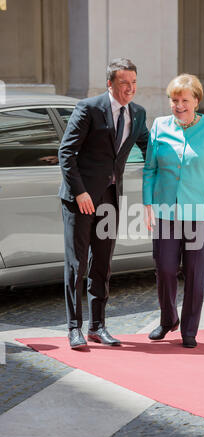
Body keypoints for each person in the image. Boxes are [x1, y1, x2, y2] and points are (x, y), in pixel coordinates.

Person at [59, 58, 149, 349]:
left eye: (134, 83)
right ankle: (74, 328)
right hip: (80, 199)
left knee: (103, 265)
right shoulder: (89, 108)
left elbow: (153, 148)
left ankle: (98, 326)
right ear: (110, 83)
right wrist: (80, 192)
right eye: (124, 83)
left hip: (110, 198)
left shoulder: (137, 113)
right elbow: (66, 152)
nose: (130, 88)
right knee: (77, 264)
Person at [143, 74, 204, 348]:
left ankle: (190, 330)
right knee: (165, 268)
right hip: (166, 212)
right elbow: (150, 169)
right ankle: (168, 318)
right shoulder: (159, 126)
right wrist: (148, 203)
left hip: (203, 212)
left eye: (184, 100)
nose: (179, 105)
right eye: (174, 100)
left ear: (196, 101)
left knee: (196, 272)